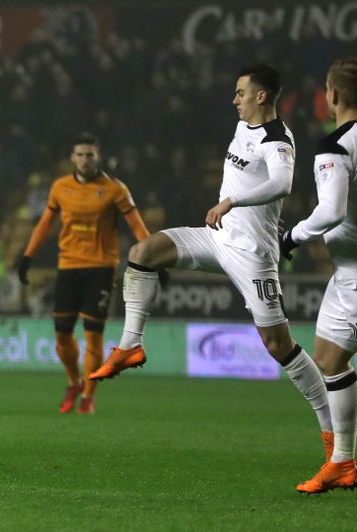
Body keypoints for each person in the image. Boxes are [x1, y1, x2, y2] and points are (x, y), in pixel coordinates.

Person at [88, 64, 334, 459]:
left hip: (252, 254)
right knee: (143, 253)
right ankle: (131, 345)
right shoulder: (243, 127)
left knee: (278, 344)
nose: (234, 100)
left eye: (241, 92)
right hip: (217, 238)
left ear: (261, 96)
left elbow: (282, 183)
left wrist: (232, 201)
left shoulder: (276, 138)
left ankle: (332, 433)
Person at [17, 133, 150, 414]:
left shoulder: (115, 189)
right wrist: (27, 256)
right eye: (80, 154)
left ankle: (88, 395)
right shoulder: (60, 187)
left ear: (97, 156)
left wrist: (153, 258)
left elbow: (137, 227)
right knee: (62, 336)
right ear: (72, 158)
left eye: (89, 154)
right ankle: (73, 381)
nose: (84, 160)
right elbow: (44, 225)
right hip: (68, 267)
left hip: (101, 268)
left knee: (93, 337)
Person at [281, 58, 357, 494]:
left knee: (330, 360)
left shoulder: (336, 146)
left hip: (354, 275)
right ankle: (343, 462)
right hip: (345, 275)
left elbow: (331, 211)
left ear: (334, 95)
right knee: (329, 358)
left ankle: (344, 462)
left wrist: (291, 236)